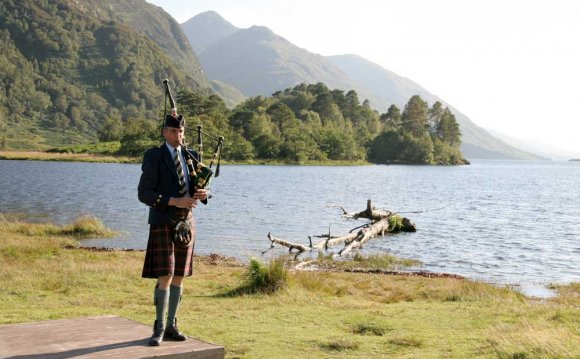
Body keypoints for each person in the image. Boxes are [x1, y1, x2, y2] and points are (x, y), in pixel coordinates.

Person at [138, 113, 208, 346]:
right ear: (164, 132)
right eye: (174, 131)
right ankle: (158, 327)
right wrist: (173, 200)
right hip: (163, 220)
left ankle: (171, 325)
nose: (179, 136)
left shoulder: (192, 156)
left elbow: (202, 189)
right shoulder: (154, 156)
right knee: (165, 275)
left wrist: (204, 194)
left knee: (179, 275)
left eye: (181, 132)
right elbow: (144, 193)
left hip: (186, 223)